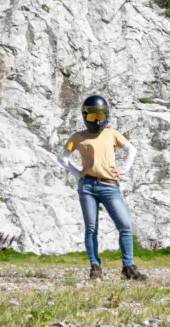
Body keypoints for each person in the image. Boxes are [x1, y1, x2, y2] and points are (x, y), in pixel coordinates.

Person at [57, 95, 148, 281]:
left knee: (125, 225)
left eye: (100, 116)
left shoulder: (112, 133)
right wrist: (78, 174)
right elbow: (63, 158)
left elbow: (132, 150)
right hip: (87, 186)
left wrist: (124, 169)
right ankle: (95, 266)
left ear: (106, 115)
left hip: (109, 185)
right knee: (91, 228)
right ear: (84, 116)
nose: (97, 121)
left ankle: (128, 266)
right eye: (91, 117)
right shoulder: (78, 137)